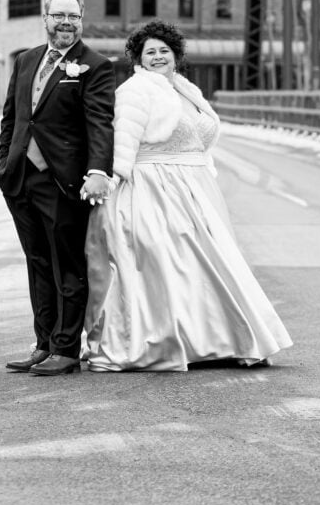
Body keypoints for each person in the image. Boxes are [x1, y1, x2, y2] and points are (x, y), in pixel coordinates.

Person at [83, 19, 292, 372]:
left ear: (176, 56)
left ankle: (219, 338)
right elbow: (125, 140)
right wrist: (112, 179)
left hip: (193, 187)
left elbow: (200, 136)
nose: (158, 56)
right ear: (138, 58)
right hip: (154, 188)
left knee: (211, 265)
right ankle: (175, 339)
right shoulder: (136, 90)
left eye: (164, 50)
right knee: (172, 265)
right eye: (150, 52)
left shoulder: (184, 89)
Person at [0, 0, 115, 376]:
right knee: (37, 264)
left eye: (73, 16)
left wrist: (97, 171)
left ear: (82, 21)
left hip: (64, 182)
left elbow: (100, 124)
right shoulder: (27, 60)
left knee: (67, 265)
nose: (66, 23)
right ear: (45, 18)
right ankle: (43, 343)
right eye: (59, 15)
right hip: (21, 180)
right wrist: (5, 164)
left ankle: (67, 348)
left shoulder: (94, 66)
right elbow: (12, 119)